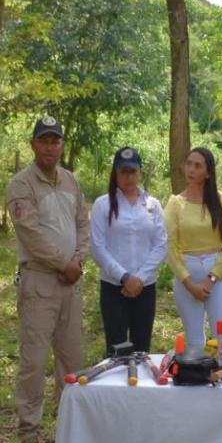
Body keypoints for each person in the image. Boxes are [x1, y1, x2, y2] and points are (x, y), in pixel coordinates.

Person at [6, 116, 89, 443]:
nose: (50, 146)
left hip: (71, 283)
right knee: (34, 361)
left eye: (55, 141)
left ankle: (72, 430)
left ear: (62, 145)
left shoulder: (70, 181)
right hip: (40, 281)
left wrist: (79, 261)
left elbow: (83, 224)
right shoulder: (20, 185)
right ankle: (29, 434)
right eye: (44, 140)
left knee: (73, 362)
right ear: (33, 144)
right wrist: (63, 263)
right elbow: (31, 235)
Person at [90, 146, 166, 355]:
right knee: (116, 351)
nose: (129, 177)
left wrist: (139, 278)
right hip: (114, 287)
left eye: (133, 171)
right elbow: (97, 247)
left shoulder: (153, 205)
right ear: (116, 173)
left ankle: (140, 388)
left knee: (142, 350)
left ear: (139, 172)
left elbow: (160, 245)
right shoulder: (102, 205)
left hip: (145, 287)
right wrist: (124, 277)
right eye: (124, 172)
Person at [164, 147, 222, 354]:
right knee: (194, 342)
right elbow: (168, 246)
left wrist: (212, 278)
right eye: (189, 164)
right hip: (187, 275)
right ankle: (197, 381)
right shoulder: (175, 204)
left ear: (208, 172)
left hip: (216, 275)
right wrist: (189, 283)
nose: (191, 169)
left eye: (197, 166)